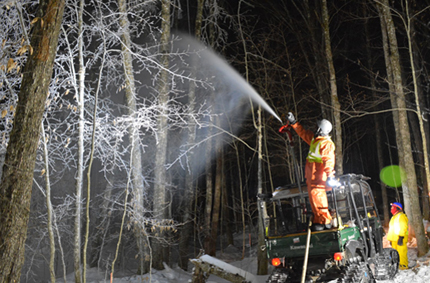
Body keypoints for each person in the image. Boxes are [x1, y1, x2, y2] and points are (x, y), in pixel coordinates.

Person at [279, 112, 336, 231]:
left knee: (318, 199)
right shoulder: (316, 140)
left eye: (317, 127)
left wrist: (330, 175)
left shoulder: (326, 144)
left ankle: (324, 221)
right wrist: (294, 123)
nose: (315, 129)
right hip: (312, 176)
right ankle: (318, 220)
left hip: (318, 177)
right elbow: (303, 134)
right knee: (313, 200)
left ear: (320, 129)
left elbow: (328, 161)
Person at [387, 202, 409, 270]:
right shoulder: (394, 217)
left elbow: (403, 227)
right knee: (395, 255)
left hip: (400, 238)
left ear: (397, 208)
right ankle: (397, 266)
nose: (391, 209)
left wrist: (401, 237)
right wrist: (390, 239)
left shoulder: (401, 216)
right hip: (394, 239)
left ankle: (403, 266)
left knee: (401, 253)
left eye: (393, 207)